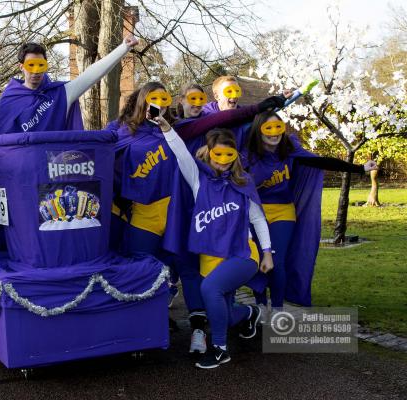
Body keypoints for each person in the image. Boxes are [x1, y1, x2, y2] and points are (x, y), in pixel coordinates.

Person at [107, 82, 285, 352]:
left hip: (178, 212)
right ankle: (143, 329)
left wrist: (257, 108)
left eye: (163, 99)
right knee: (140, 269)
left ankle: (199, 332)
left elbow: (221, 118)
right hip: (142, 214)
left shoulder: (179, 129)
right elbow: (97, 152)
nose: (159, 104)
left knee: (190, 272)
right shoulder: (121, 131)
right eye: (153, 99)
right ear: (142, 101)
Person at [159, 120, 273, 369]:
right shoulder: (198, 179)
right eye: (217, 154)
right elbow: (180, 151)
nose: (223, 160)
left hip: (243, 253)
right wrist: (167, 128)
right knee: (224, 312)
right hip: (211, 258)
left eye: (228, 155)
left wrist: (266, 252)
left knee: (209, 289)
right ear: (208, 153)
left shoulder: (243, 181)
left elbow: (257, 218)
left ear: (235, 155)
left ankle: (220, 349)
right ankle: (249, 314)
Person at [245, 110, 377, 309]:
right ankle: (261, 307)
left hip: (283, 212)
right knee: (259, 261)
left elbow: (321, 161)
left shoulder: (289, 150)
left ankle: (278, 310)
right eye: (268, 128)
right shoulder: (249, 156)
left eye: (277, 128)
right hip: (255, 214)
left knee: (277, 262)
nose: (274, 133)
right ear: (258, 131)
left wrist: (360, 168)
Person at [0, 34, 139, 135]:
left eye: (40, 65)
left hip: (54, 169)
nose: (36, 71)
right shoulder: (9, 98)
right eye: (31, 65)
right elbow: (0, 139)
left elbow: (91, 74)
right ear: (21, 67)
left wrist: (123, 48)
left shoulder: (61, 93)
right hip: (24, 170)